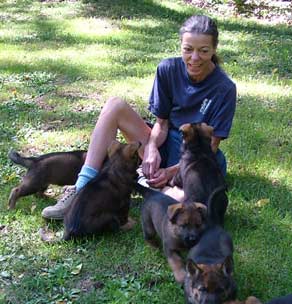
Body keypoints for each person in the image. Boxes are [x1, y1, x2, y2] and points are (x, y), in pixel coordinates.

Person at [42, 14, 237, 220]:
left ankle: (150, 187)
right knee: (115, 105)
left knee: (189, 204)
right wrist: (152, 149)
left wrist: (172, 172)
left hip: (198, 160)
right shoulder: (168, 69)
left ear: (214, 49)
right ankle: (81, 189)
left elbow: (212, 146)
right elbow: (161, 124)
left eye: (203, 51)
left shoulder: (224, 88)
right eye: (188, 50)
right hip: (167, 142)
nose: (194, 58)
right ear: (181, 46)